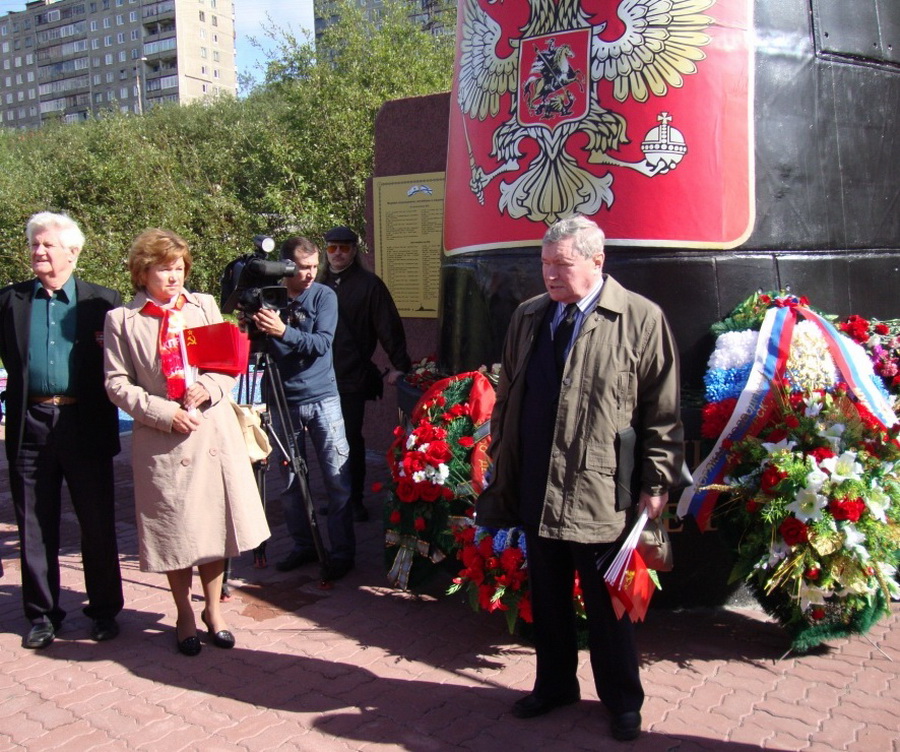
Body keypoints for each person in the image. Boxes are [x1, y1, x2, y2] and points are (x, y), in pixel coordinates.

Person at [475, 215, 684, 741]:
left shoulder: (639, 318)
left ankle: (622, 701)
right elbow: (509, 400)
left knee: (607, 602)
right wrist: (501, 459)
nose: (550, 274)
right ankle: (555, 686)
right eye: (544, 263)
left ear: (597, 261)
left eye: (562, 264)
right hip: (535, 482)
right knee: (546, 597)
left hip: (601, 490)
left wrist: (656, 484)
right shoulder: (529, 316)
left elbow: (662, 413)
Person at [104, 229, 270, 656]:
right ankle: (183, 614)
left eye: (179, 268)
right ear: (143, 272)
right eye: (164, 269)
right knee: (175, 534)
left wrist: (209, 387)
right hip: (164, 441)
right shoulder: (122, 320)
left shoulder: (204, 305)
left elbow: (228, 364)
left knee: (214, 528)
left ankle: (214, 610)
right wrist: (165, 413)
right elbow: (117, 383)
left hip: (210, 432)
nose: (174, 276)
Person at [0, 212, 124, 650]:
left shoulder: (103, 302)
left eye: (47, 245)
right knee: (34, 525)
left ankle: (104, 611)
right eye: (34, 244)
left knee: (97, 522)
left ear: (73, 252)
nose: (38, 251)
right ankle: (42, 615)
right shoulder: (10, 301)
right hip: (30, 425)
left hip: (85, 424)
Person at [251, 236, 355, 581]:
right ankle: (304, 545)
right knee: (291, 482)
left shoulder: (324, 296)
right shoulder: (267, 299)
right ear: (285, 267)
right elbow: (253, 352)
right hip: (282, 400)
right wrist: (251, 329)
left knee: (337, 478)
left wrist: (283, 331)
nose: (311, 274)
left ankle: (342, 553)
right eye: (303, 268)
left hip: (323, 398)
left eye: (314, 266)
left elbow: (322, 344)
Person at [321, 226, 411, 522]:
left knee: (349, 438)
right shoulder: (318, 283)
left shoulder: (369, 285)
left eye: (344, 248)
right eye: (332, 248)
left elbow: (388, 326)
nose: (337, 254)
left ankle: (354, 499)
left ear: (354, 251)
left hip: (352, 376)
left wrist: (400, 364)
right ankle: (336, 497)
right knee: (325, 441)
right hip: (320, 377)